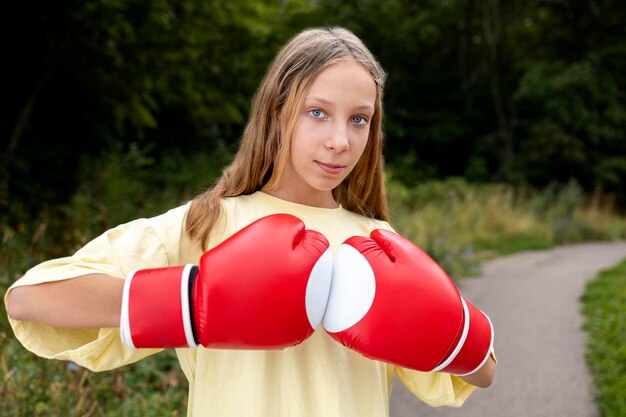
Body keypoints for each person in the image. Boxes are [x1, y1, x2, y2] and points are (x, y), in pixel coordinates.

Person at [5, 27, 496, 416]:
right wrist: (193, 299)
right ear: (278, 110)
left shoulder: (377, 244)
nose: (340, 141)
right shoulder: (207, 225)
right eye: (318, 112)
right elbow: (30, 300)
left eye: (359, 119)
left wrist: (448, 329)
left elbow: (484, 371)